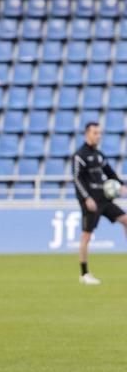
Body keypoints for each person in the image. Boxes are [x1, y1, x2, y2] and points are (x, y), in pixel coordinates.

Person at [72, 122, 127, 285]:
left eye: (100, 133)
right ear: (87, 134)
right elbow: (77, 178)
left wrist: (121, 185)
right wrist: (86, 198)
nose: (99, 136)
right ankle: (84, 273)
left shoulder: (99, 155)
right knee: (86, 235)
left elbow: (109, 172)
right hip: (91, 201)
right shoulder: (79, 155)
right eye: (95, 133)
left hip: (104, 198)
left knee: (125, 219)